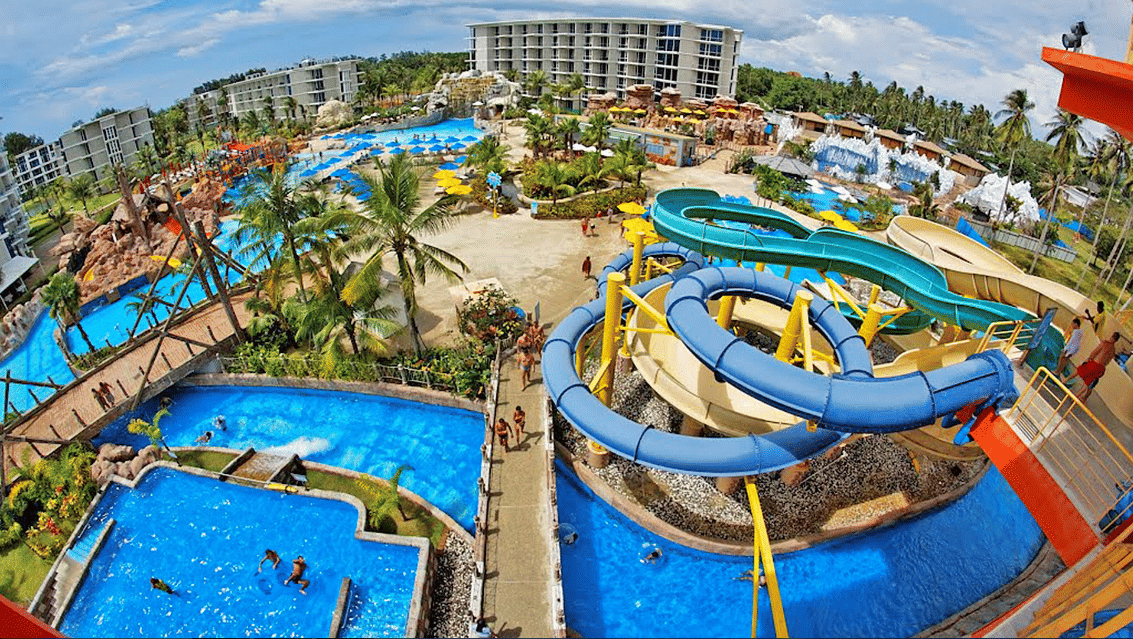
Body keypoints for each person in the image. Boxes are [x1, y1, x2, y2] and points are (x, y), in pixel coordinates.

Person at [1074, 332, 1123, 402]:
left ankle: (1067, 384)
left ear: (1112, 337)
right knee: (1089, 384)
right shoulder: (1113, 351)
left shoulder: (1105, 343)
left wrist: (1089, 359)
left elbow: (1095, 352)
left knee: (1081, 374)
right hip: (1100, 369)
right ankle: (1080, 397)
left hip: (1096, 365)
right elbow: (1107, 362)